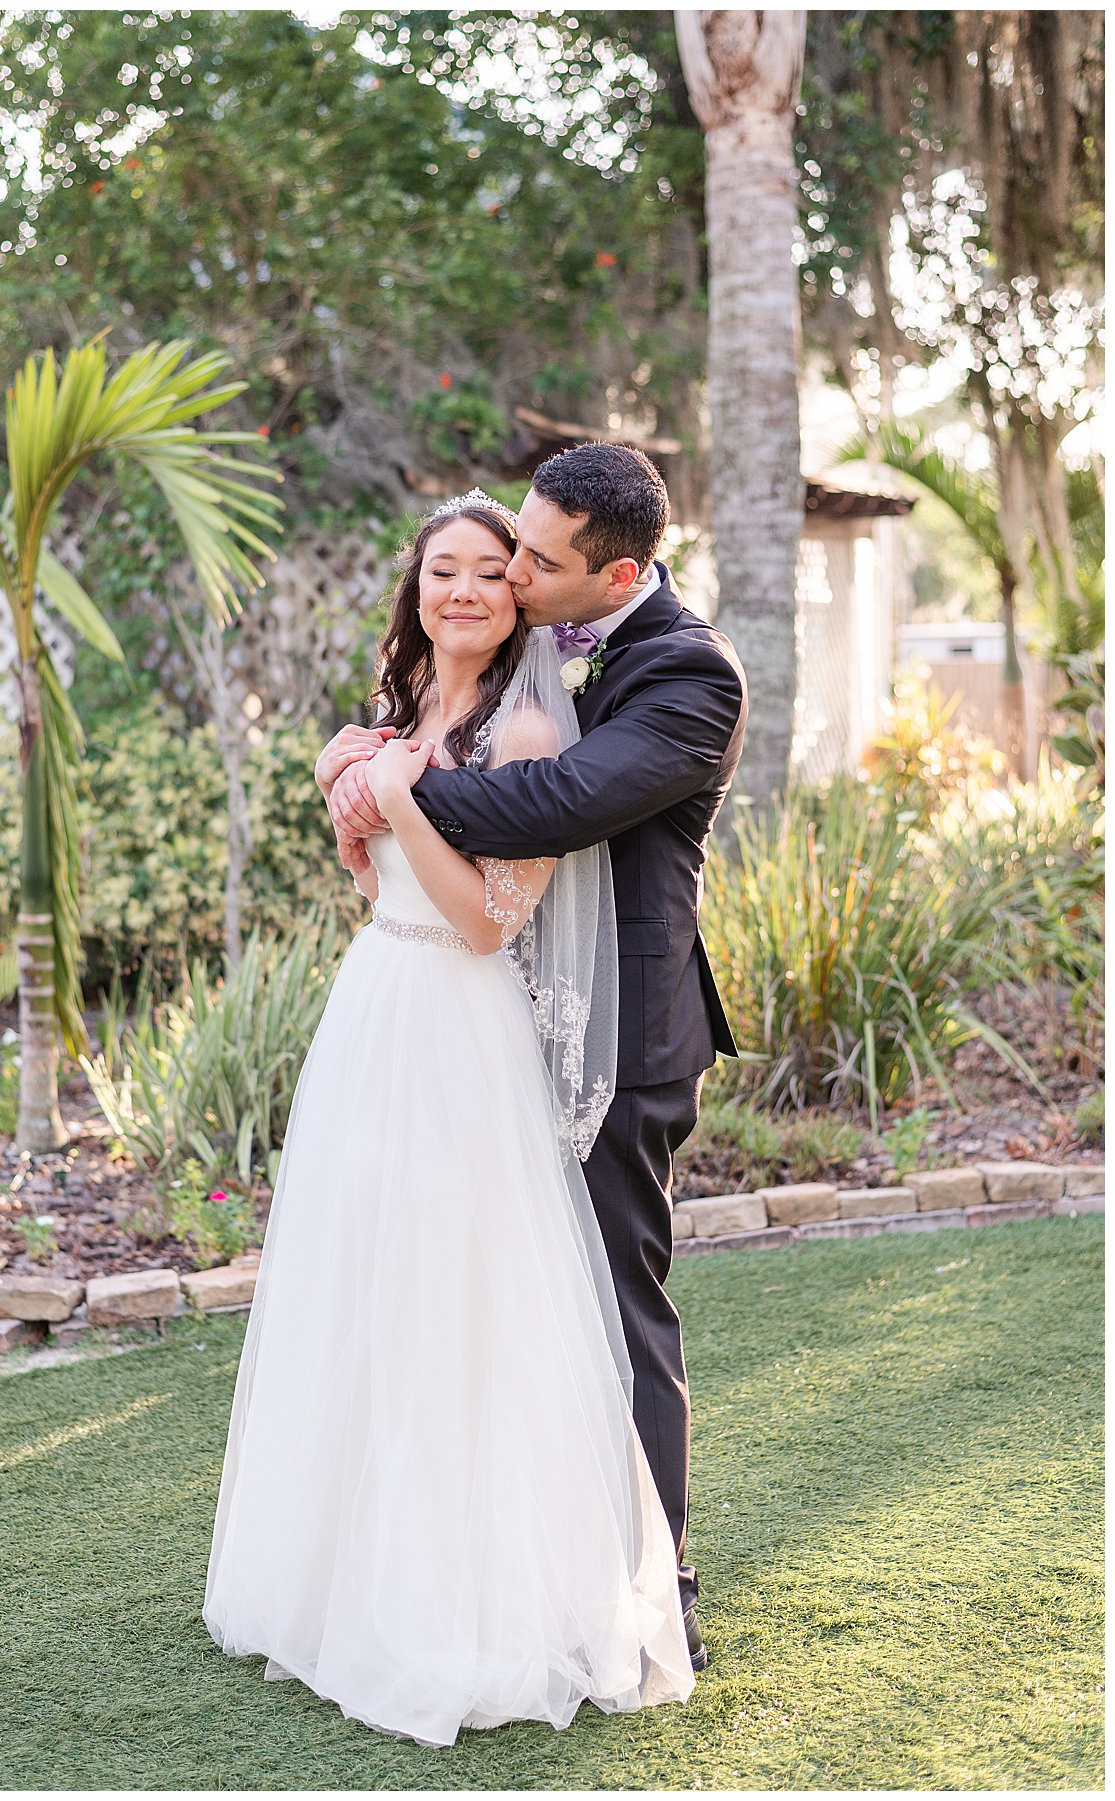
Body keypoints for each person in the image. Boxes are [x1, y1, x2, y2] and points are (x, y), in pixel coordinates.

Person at [203, 490, 698, 1746]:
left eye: (493, 572)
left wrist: (394, 789)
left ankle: (499, 1597)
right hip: (376, 1007)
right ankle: (349, 1576)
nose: (468, 590)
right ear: (414, 591)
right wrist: (358, 782)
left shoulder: (533, 719)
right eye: (444, 573)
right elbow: (367, 873)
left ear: (520, 595)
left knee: (466, 1302)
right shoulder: (397, 714)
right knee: (365, 1285)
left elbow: (489, 918)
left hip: (465, 1023)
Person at [323, 444, 745, 1670]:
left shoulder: (687, 674)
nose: (508, 568)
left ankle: (657, 1589)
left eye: (535, 559)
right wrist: (359, 757)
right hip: (484, 1027)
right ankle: (495, 1570)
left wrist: (382, 779)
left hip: (619, 1031)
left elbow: (548, 806)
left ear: (617, 571)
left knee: (615, 1309)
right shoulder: (527, 646)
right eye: (508, 540)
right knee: (499, 1304)